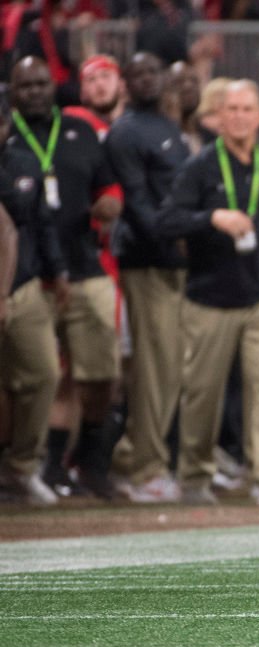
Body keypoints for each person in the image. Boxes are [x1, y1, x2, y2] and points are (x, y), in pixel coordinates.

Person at [157, 79, 259, 506]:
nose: (239, 116)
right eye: (231, 109)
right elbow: (166, 220)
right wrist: (212, 217)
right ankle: (194, 477)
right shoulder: (200, 166)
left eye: (247, 109)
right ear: (218, 117)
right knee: (203, 392)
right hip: (210, 298)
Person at [8, 56, 123, 499]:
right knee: (38, 376)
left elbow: (108, 185)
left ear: (53, 86)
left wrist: (111, 204)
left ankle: (90, 461)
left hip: (85, 265)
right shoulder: (7, 135)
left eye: (41, 84)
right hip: (27, 276)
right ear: (14, 91)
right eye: (25, 86)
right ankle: (46, 465)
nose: (35, 92)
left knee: (101, 375)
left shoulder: (80, 130)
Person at [105, 52, 191, 502]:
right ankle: (145, 468)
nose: (144, 79)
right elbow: (137, 204)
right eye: (134, 73)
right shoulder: (126, 132)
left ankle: (139, 460)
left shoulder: (167, 126)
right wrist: (173, 243)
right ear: (126, 83)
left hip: (174, 262)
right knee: (155, 370)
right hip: (147, 261)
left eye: (150, 72)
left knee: (170, 369)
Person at [0, 94, 67, 505]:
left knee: (44, 374)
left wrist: (56, 272)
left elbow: (37, 224)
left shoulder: (23, 163)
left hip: (22, 285)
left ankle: (22, 467)